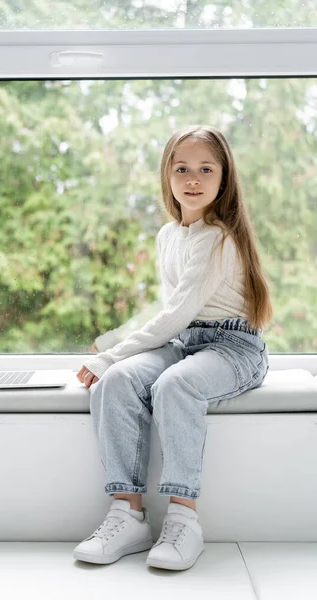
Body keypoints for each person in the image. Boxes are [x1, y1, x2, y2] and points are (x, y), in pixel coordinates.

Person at [73, 124, 273, 571]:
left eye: (206, 169)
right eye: (181, 168)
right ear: (167, 175)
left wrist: (111, 352)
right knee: (116, 381)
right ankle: (128, 514)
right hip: (186, 342)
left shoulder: (219, 237)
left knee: (175, 386)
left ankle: (185, 520)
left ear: (224, 178)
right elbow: (168, 311)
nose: (193, 179)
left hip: (235, 347)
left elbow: (176, 314)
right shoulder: (168, 236)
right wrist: (109, 351)